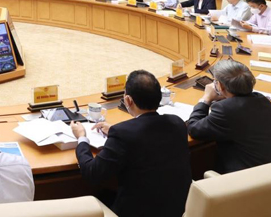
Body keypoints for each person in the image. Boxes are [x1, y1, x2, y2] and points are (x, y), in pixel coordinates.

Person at [186, 60, 271, 215]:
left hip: (255, 196)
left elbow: (194, 128)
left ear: (220, 86)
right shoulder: (261, 99)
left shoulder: (225, 110)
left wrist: (206, 99)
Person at [71, 71, 191, 217]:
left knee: (101, 195)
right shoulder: (177, 123)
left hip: (138, 212)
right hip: (178, 209)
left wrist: (81, 138)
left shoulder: (123, 134)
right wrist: (116, 130)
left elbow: (92, 173)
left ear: (128, 100)